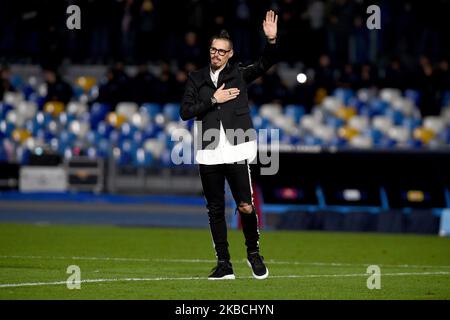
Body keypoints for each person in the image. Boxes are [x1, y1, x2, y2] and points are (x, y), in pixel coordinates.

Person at [180, 10, 278, 280]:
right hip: (208, 150)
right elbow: (185, 112)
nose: (216, 55)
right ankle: (224, 264)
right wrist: (214, 98)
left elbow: (265, 63)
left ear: (230, 54)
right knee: (215, 210)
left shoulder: (238, 74)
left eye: (222, 51)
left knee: (245, 205)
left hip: (237, 148)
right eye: (213, 50)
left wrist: (271, 41)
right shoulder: (196, 78)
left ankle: (253, 253)